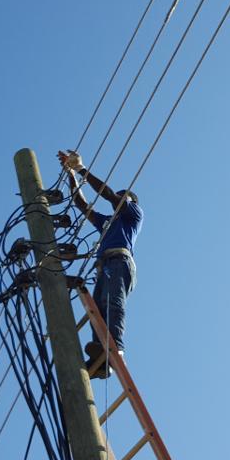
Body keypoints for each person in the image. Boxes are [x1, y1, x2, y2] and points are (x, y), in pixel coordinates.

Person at [57, 150, 143, 379]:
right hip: (104, 264)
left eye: (123, 197)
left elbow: (108, 196)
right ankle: (101, 357)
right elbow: (82, 205)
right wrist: (71, 175)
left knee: (113, 303)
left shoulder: (133, 214)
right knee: (97, 310)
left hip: (120, 261)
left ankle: (118, 350)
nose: (119, 198)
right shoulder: (107, 222)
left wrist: (81, 168)